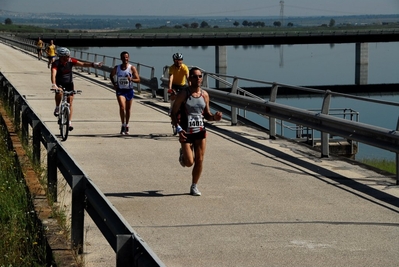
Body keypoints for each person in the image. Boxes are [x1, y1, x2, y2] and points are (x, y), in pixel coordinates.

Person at [170, 67, 222, 196]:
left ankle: (194, 186)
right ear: (189, 79)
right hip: (186, 131)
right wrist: (178, 128)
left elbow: (207, 115)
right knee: (189, 162)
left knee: (200, 159)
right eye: (194, 76)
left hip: (200, 131)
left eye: (200, 76)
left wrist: (215, 118)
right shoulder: (184, 94)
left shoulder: (204, 95)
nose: (198, 79)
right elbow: (174, 113)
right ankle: (183, 154)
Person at [51, 47, 102, 131]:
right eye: (67, 56)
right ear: (62, 56)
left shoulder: (71, 61)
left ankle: (69, 122)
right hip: (59, 83)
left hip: (69, 83)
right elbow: (53, 74)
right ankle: (57, 107)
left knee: (70, 101)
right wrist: (53, 84)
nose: (68, 57)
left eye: (68, 56)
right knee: (59, 92)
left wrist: (93, 64)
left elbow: (82, 64)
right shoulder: (56, 63)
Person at [110, 51, 140, 135]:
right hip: (120, 90)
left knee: (128, 109)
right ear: (121, 58)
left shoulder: (132, 68)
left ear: (128, 58)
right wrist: (114, 84)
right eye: (123, 57)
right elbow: (111, 75)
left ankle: (127, 125)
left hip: (129, 90)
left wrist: (132, 79)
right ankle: (123, 125)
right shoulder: (117, 68)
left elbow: (138, 79)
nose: (125, 59)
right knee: (122, 107)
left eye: (126, 57)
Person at [168, 52, 189, 134]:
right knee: (173, 98)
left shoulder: (184, 67)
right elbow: (171, 78)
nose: (178, 62)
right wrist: (170, 88)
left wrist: (191, 87)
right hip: (174, 86)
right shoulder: (172, 68)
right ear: (174, 61)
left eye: (180, 60)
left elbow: (188, 78)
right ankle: (172, 108)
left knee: (185, 103)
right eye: (176, 61)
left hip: (182, 86)